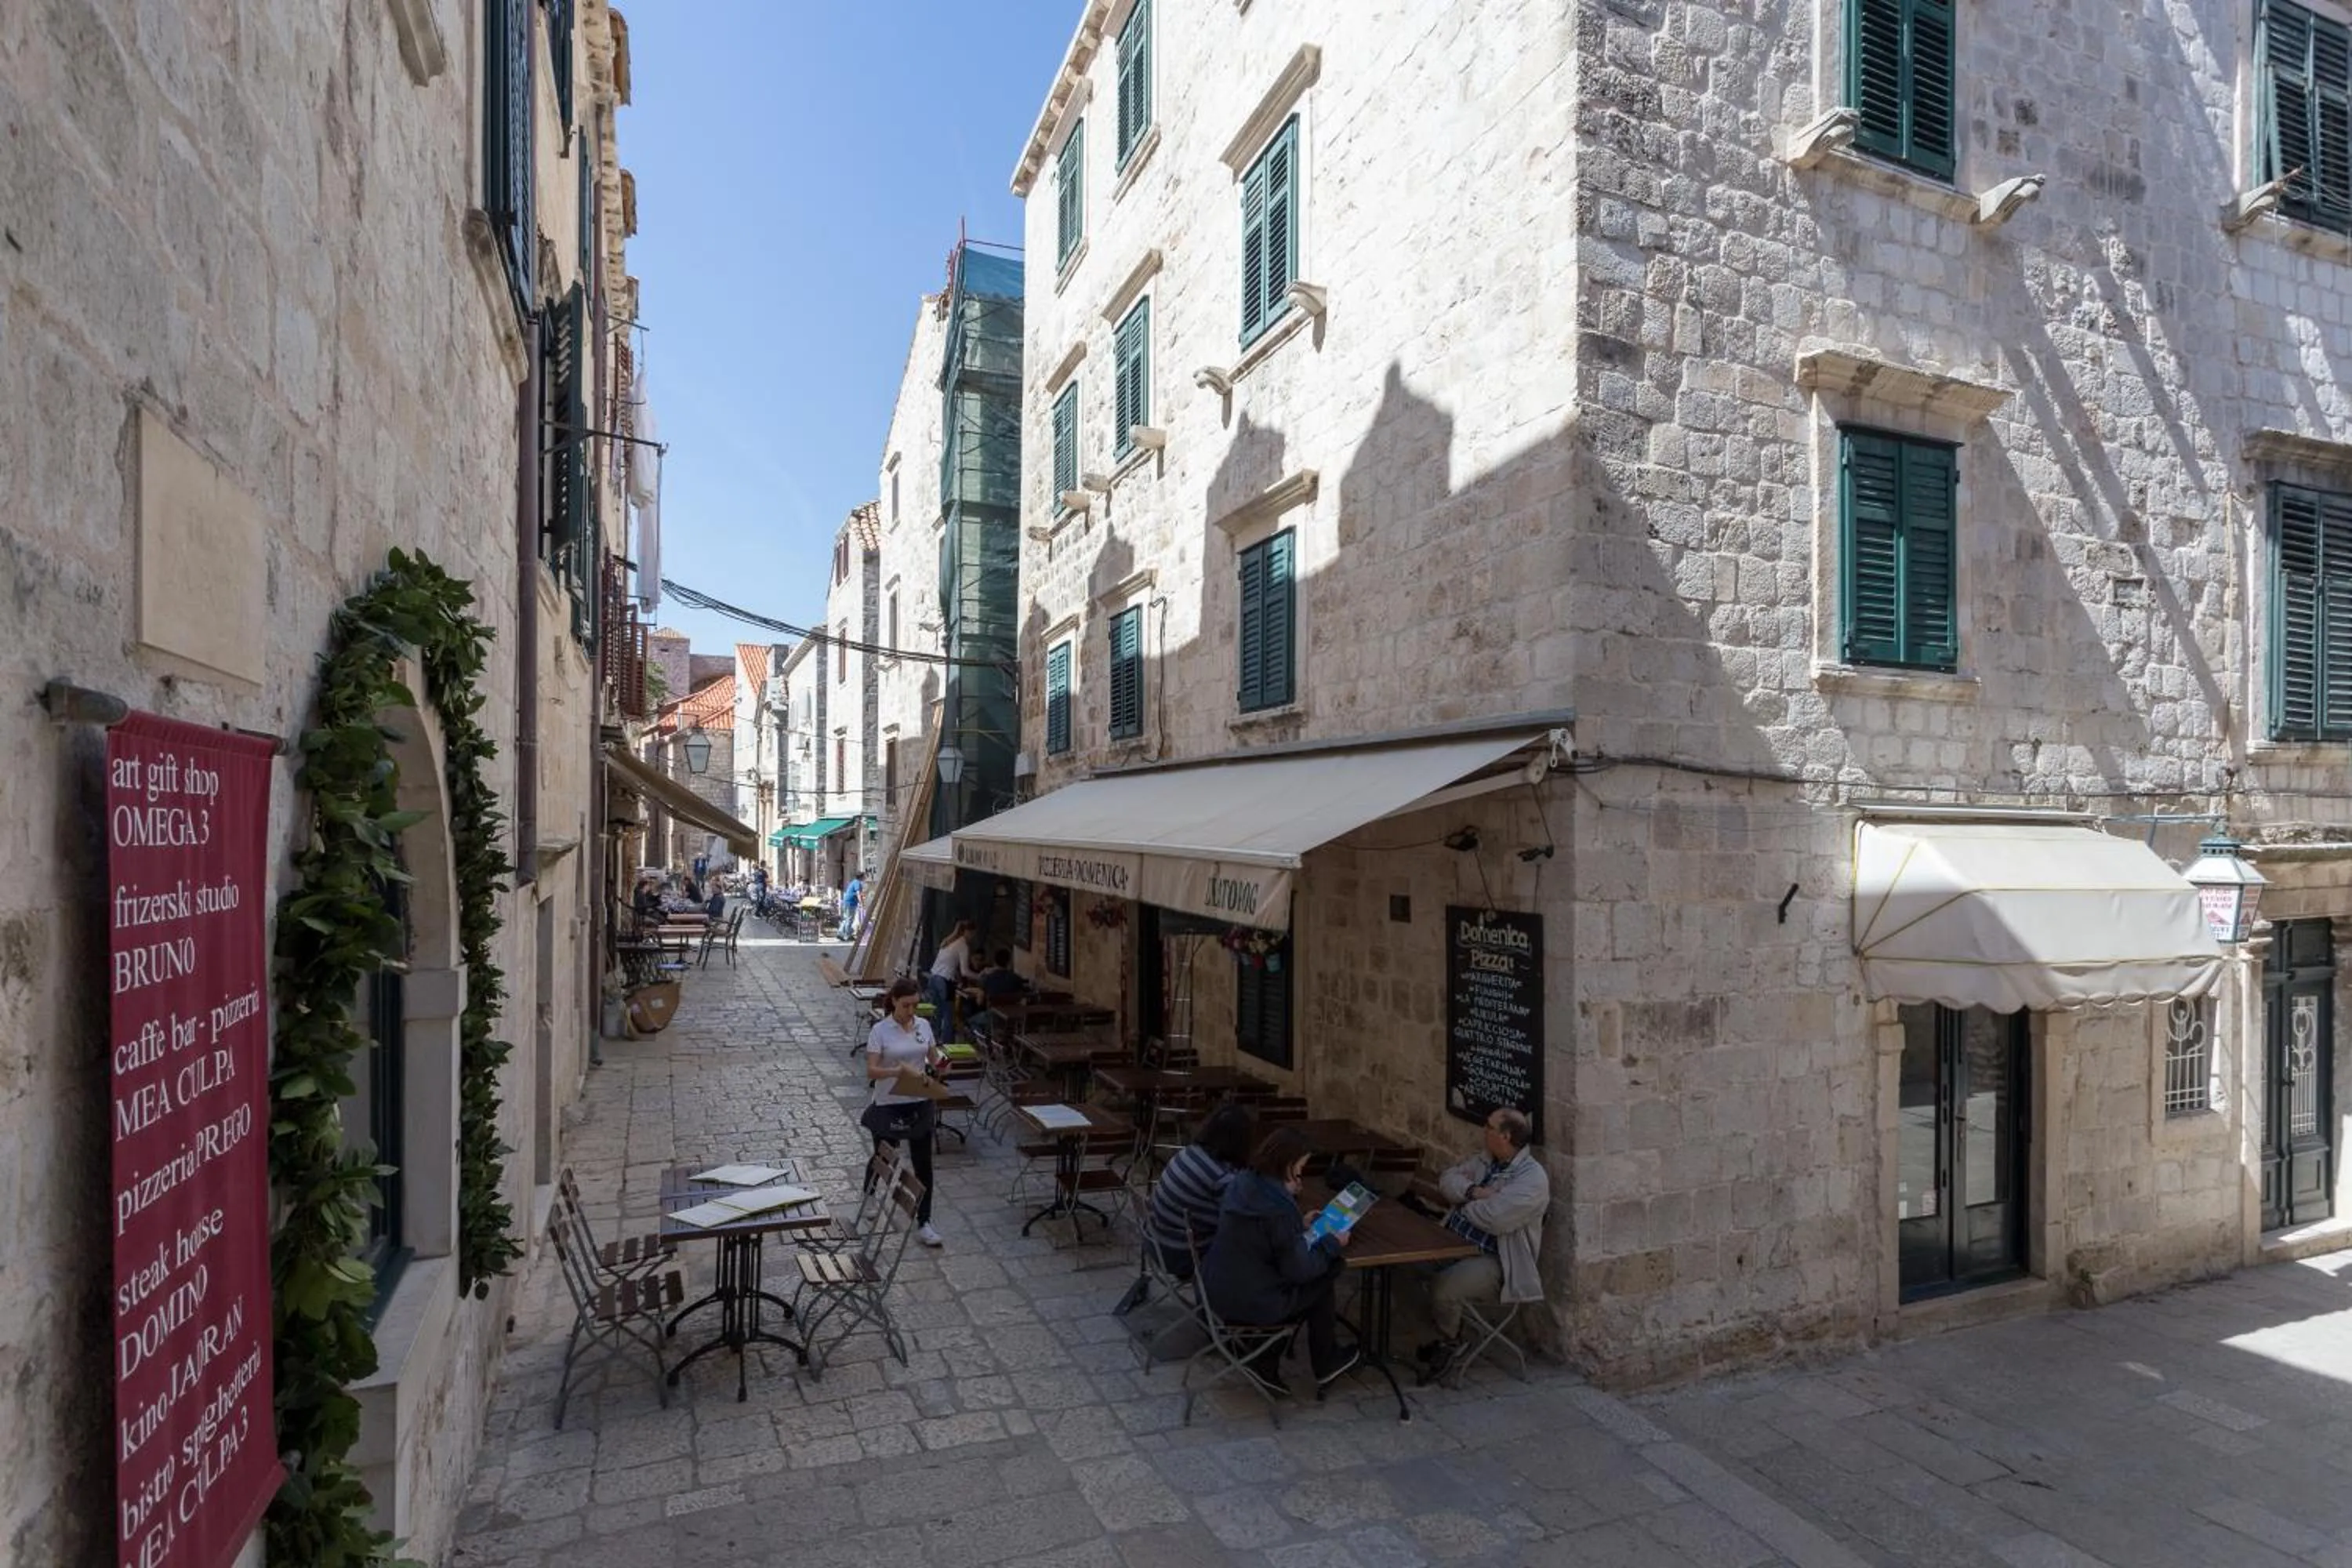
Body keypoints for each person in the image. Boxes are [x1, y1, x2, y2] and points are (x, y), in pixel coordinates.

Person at [1200, 1125, 1359, 1392]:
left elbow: (1265, 1239)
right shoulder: (1277, 1209)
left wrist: (1299, 1222)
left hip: (1215, 1289)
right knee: (1325, 1274)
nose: (1301, 1174)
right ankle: (1325, 1361)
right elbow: (1298, 1270)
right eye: (1300, 1167)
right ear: (1287, 1164)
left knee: (1313, 1272)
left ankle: (1267, 1360)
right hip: (1252, 1301)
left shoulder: (1243, 1182)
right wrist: (1332, 1242)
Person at [1418, 1107, 1550, 1374]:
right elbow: (1447, 1180)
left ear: (1506, 1136)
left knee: (1445, 1287)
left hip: (1495, 1261)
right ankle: (1443, 1331)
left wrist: (1464, 1204)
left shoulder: (1531, 1178)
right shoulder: (1484, 1160)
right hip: (1453, 1241)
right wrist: (1474, 1191)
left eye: (1489, 1127)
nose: (1484, 1131)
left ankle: (1452, 1342)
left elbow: (1496, 1219)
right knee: (1409, 1264)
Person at [864, 978, 945, 1247]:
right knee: (883, 1155)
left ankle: (925, 1221)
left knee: (924, 1164)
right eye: (906, 1005)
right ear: (895, 1001)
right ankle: (870, 1195)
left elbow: (933, 1057)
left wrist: (944, 1065)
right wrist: (895, 1072)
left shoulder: (923, 1026)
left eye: (915, 1005)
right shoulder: (880, 1030)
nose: (911, 1011)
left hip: (919, 1101)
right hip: (889, 1102)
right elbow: (872, 1071)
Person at [1146, 1101, 1255, 1279]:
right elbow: (1240, 1223)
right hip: (1180, 1256)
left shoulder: (1188, 1152)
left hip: (1156, 1242)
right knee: (1254, 1249)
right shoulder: (1220, 1177)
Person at [925, 918, 978, 1019]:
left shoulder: (949, 941)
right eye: (973, 934)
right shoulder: (963, 946)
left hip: (934, 977)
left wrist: (957, 977)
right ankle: (946, 1035)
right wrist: (979, 976)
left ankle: (933, 1034)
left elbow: (949, 964)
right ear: (969, 932)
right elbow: (965, 971)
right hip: (944, 981)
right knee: (948, 1015)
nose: (973, 937)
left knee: (936, 1013)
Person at [838, 869, 866, 941]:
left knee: (846, 918)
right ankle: (848, 935)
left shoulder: (853, 882)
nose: (865, 878)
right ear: (861, 877)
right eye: (864, 876)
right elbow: (858, 893)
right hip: (851, 903)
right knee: (850, 919)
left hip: (846, 902)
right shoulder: (858, 883)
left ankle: (840, 933)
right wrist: (862, 903)